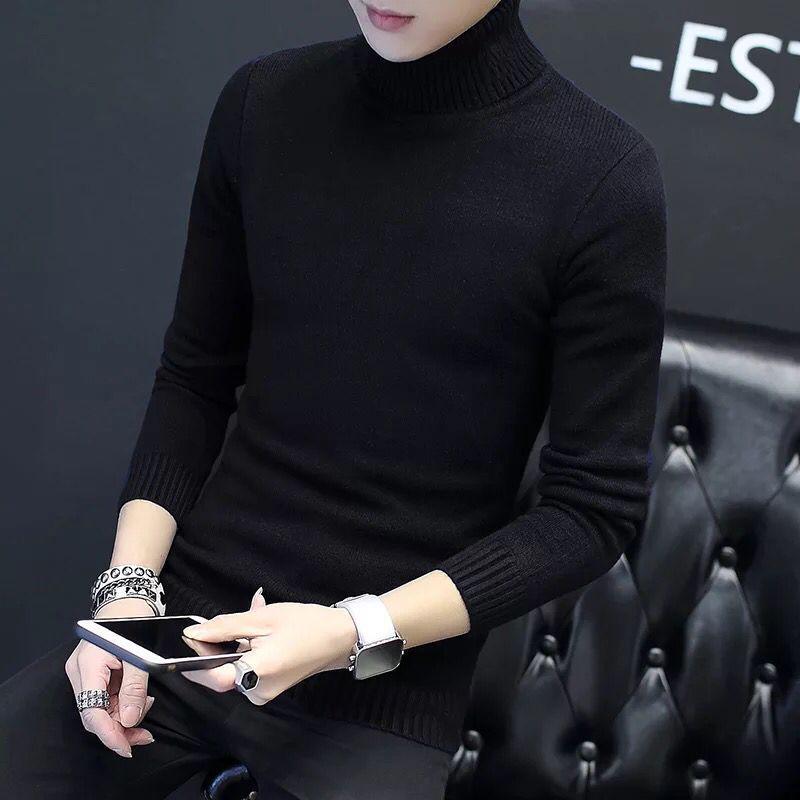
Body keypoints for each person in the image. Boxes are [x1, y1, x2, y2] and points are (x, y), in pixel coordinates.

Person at [0, 0, 668, 797]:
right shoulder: (264, 104)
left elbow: (591, 510)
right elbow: (195, 378)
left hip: (382, 690)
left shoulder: (601, 178)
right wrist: (127, 601)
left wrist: (353, 629)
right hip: (185, 632)